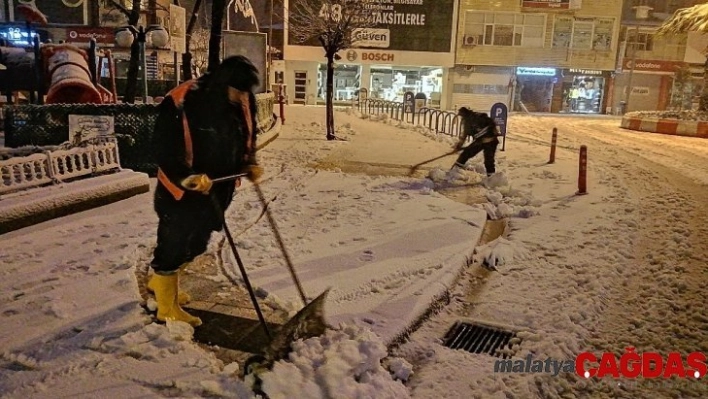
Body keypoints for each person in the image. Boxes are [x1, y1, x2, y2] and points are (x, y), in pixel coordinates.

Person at [147, 56, 263, 327]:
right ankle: (167, 307)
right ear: (223, 84)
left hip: (219, 188)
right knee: (174, 242)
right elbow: (162, 147)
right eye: (237, 90)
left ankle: (160, 282)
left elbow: (248, 134)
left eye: (245, 92)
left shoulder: (244, 99)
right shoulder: (183, 100)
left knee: (198, 242)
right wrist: (185, 177)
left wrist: (250, 162)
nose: (242, 97)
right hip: (180, 192)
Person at [451, 107, 501, 177]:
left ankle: (491, 178)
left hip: (491, 141)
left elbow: (491, 124)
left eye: (462, 116)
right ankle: (454, 171)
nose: (462, 119)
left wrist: (490, 135)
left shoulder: (479, 118)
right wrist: (459, 146)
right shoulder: (467, 124)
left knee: (488, 161)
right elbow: (464, 136)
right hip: (479, 141)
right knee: (465, 153)